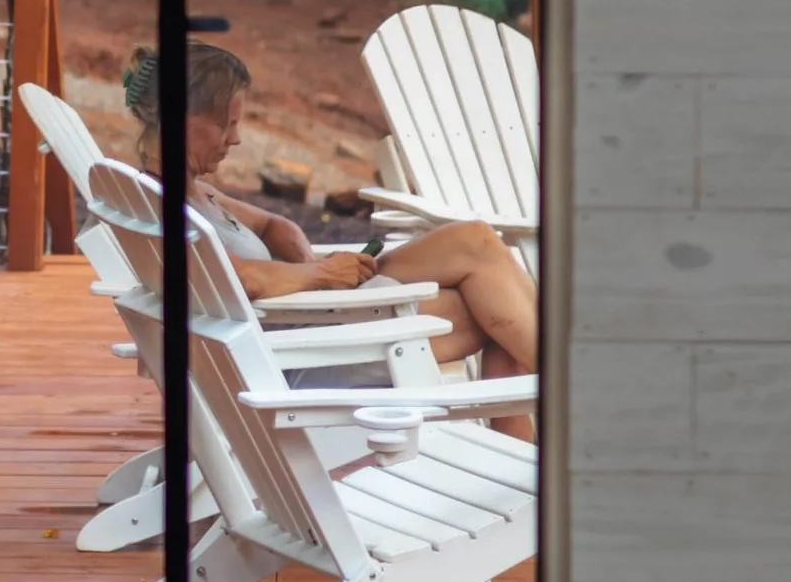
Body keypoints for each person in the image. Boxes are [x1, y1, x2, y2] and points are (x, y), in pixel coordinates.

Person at [118, 36, 538, 390]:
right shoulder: (157, 203)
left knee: (475, 241)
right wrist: (321, 276)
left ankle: (533, 437)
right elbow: (235, 278)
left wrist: (308, 263)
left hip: (318, 312)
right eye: (224, 125)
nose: (237, 138)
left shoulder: (196, 192)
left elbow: (272, 224)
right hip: (302, 352)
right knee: (493, 310)